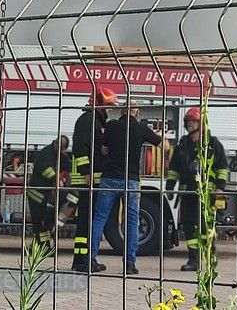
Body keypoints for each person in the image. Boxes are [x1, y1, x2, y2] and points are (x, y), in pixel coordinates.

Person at [90, 105, 163, 275]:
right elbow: (162, 145)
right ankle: (129, 264)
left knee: (100, 218)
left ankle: (91, 259)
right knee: (132, 221)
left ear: (122, 112)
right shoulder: (141, 128)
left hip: (109, 178)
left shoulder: (111, 126)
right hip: (131, 181)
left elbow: (104, 150)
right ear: (137, 113)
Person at [165, 106, 229, 272]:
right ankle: (193, 260)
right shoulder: (183, 144)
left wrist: (220, 188)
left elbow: (222, 167)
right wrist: (170, 186)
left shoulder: (213, 144)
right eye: (188, 121)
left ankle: (210, 258)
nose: (190, 124)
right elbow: (174, 167)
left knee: (206, 227)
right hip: (187, 193)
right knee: (188, 227)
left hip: (207, 193)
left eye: (193, 121)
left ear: (201, 123)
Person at [70, 85, 117, 272]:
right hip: (87, 180)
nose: (110, 110)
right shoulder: (87, 121)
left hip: (92, 179)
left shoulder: (96, 121)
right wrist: (86, 172)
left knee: (89, 221)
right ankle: (82, 261)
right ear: (99, 103)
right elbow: (80, 148)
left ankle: (84, 259)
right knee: (85, 222)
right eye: (108, 106)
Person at [27, 135, 71, 250]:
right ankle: (41, 247)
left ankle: (41, 247)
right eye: (61, 149)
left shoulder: (56, 153)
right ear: (57, 144)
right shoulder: (46, 154)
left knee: (44, 223)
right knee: (40, 223)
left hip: (43, 195)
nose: (62, 152)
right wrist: (57, 179)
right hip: (37, 194)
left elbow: (66, 165)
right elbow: (46, 169)